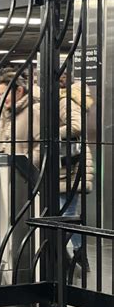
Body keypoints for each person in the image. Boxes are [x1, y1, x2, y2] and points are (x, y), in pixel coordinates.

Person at [59, 73, 94, 271]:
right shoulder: (76, 99)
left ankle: (60, 253)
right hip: (73, 162)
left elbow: (75, 127)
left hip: (67, 164)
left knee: (65, 212)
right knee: (69, 211)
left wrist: (52, 132)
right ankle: (79, 251)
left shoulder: (66, 101)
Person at [0, 68, 41, 167]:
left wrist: (23, 164)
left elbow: (44, 147)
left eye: (3, 94)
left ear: (19, 91)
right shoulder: (4, 114)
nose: (0, 98)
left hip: (26, 177)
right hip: (4, 172)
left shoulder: (34, 112)